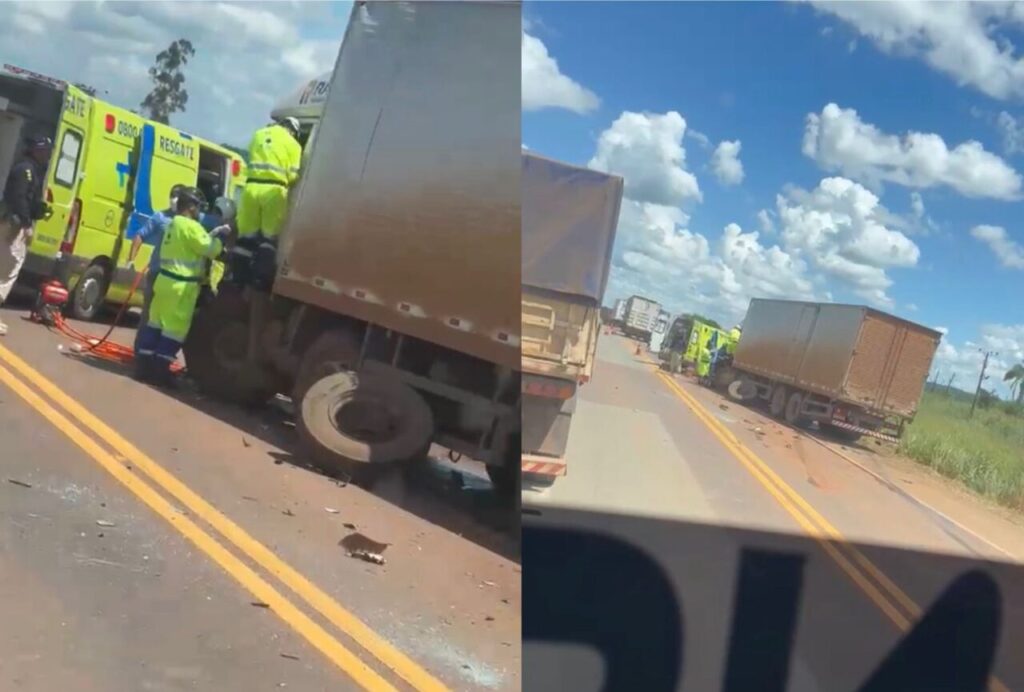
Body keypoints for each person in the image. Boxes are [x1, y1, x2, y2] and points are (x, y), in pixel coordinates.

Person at [134, 188, 227, 388]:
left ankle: (143, 368)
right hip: (181, 286)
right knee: (174, 330)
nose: (199, 211)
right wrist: (221, 240)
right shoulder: (191, 227)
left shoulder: (171, 223)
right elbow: (210, 249)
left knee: (154, 325)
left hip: (163, 281)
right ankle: (160, 374)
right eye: (198, 207)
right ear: (191, 207)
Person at [231, 116, 302, 364]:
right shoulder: (293, 144)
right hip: (274, 191)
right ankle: (260, 281)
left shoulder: (259, 134)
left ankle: (238, 278)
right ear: (293, 130)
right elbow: (293, 176)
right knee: (268, 241)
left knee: (246, 240)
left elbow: (250, 160)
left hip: (250, 189)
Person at [0, 136, 52, 335]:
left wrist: (39, 210)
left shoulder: (32, 170)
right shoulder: (26, 170)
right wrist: (27, 224)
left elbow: (29, 200)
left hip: (14, 223)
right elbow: (19, 198)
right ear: (37, 151)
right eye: (45, 151)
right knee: (9, 268)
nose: (47, 155)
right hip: (13, 226)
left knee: (7, 267)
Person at [128, 183, 187, 352]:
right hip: (156, 273)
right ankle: (140, 350)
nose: (174, 199)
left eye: (177, 196)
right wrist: (131, 260)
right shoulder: (160, 217)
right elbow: (140, 235)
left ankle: (157, 352)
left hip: (175, 278)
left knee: (167, 317)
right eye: (172, 195)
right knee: (148, 314)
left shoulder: (189, 223)